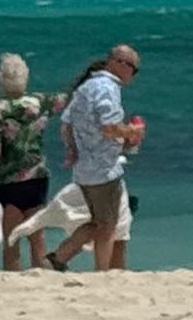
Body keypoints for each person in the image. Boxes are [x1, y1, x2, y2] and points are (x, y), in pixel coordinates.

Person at [45, 43, 143, 272]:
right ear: (120, 64)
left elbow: (66, 123)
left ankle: (56, 259)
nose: (133, 75)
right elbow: (109, 127)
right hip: (103, 169)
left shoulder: (87, 87)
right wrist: (130, 132)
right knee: (108, 226)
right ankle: (101, 272)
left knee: (100, 221)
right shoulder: (108, 88)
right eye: (133, 69)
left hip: (84, 170)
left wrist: (72, 151)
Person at [0, 53, 57, 272]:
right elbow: (65, 99)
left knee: (11, 239)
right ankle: (41, 278)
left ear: (1, 79)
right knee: (37, 236)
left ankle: (12, 277)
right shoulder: (39, 103)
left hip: (7, 180)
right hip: (36, 177)